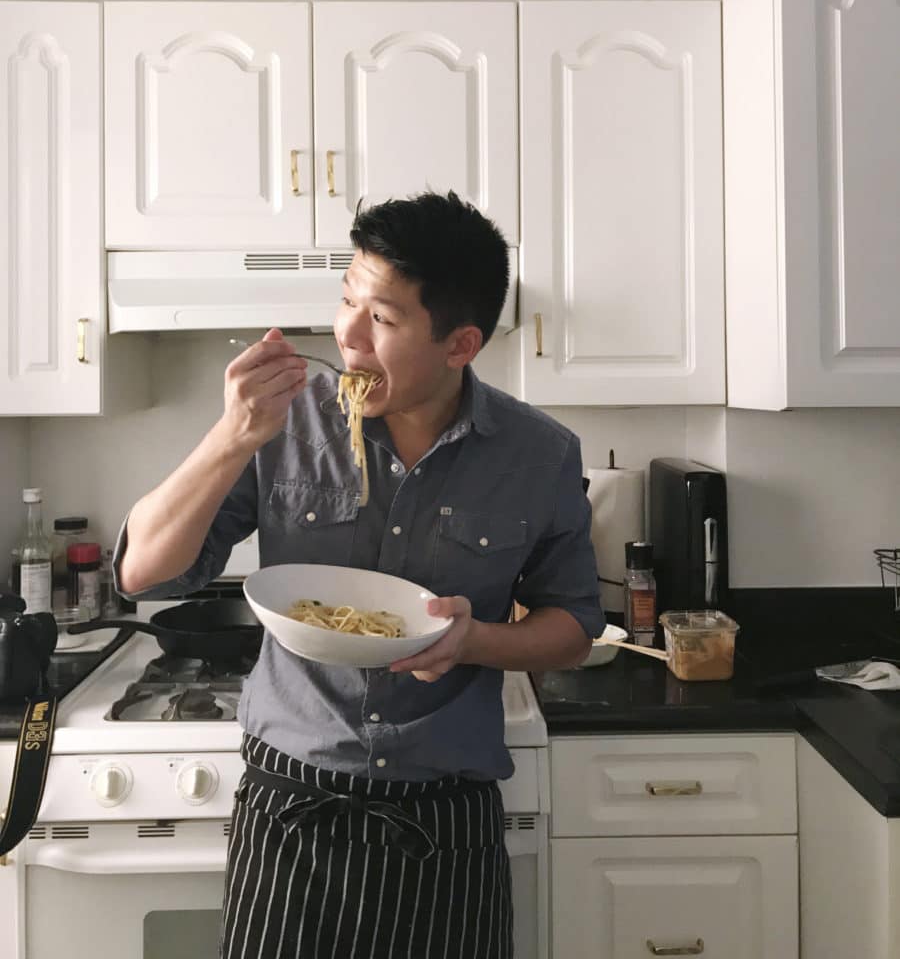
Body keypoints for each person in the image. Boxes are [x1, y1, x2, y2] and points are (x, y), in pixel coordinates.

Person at [115, 190, 604, 959]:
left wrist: (472, 640)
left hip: (443, 821)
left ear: (460, 343)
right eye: (346, 300)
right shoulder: (284, 420)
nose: (346, 337)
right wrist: (228, 438)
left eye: (381, 319)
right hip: (291, 808)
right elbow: (144, 574)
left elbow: (574, 627)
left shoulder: (539, 455)